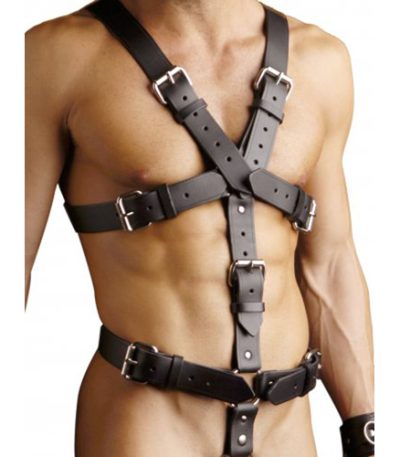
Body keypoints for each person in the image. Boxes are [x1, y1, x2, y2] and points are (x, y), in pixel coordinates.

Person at [25, 1, 374, 456]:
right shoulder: (57, 57)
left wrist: (365, 430)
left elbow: (329, 264)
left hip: (286, 431)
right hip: (150, 427)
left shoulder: (321, 61)